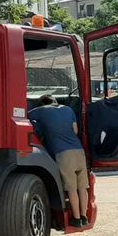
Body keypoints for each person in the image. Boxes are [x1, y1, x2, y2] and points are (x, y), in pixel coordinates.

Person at [28, 94, 90, 227]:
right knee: (82, 187)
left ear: (42, 103)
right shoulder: (68, 109)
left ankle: (76, 219)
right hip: (79, 150)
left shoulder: (41, 111)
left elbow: (25, 116)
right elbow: (75, 130)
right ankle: (84, 217)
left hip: (63, 153)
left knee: (71, 188)